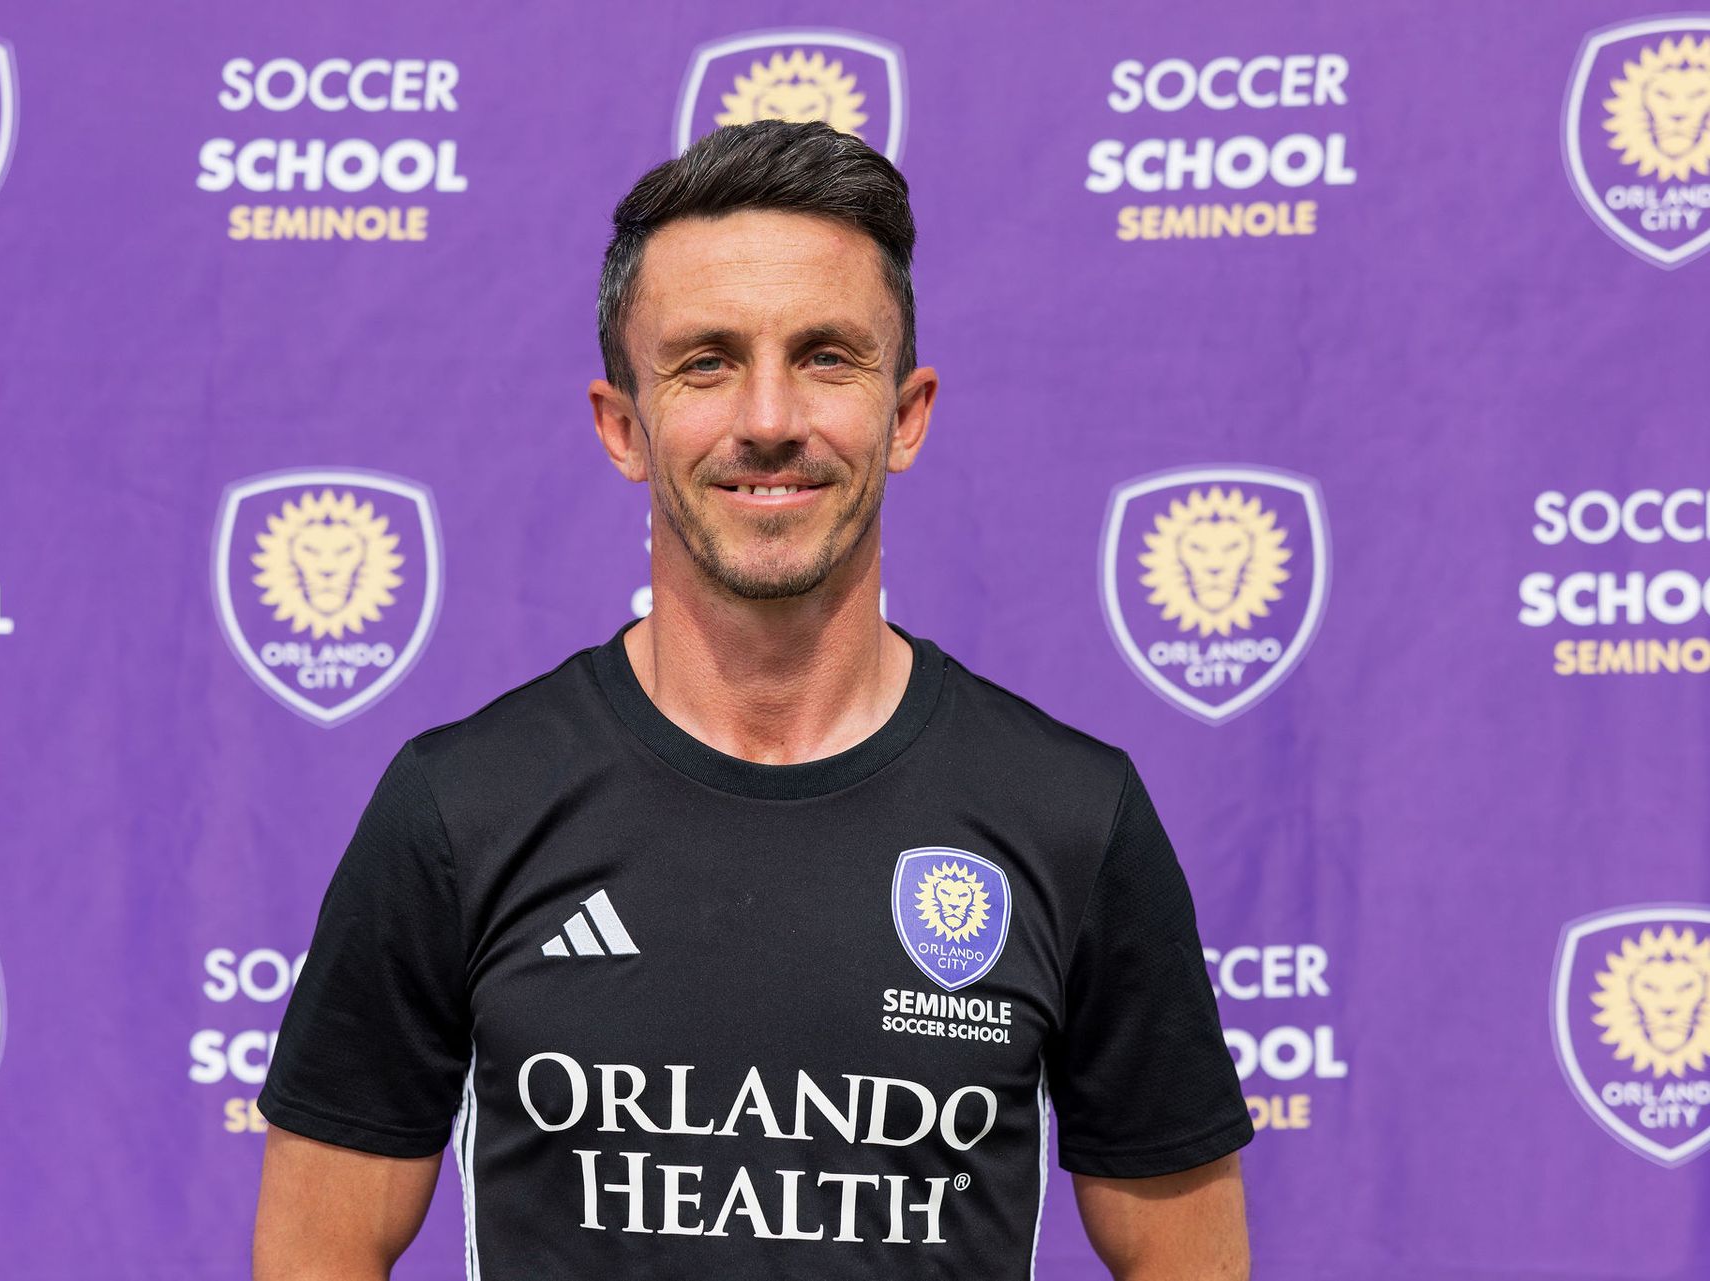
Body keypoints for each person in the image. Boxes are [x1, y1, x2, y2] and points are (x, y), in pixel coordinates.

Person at [253, 119, 1253, 1280]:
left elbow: (1189, 1262)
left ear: (908, 412)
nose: (769, 418)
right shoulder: (460, 808)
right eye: (706, 361)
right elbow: (314, 1256)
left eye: (827, 356)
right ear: (624, 425)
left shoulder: (1072, 815)